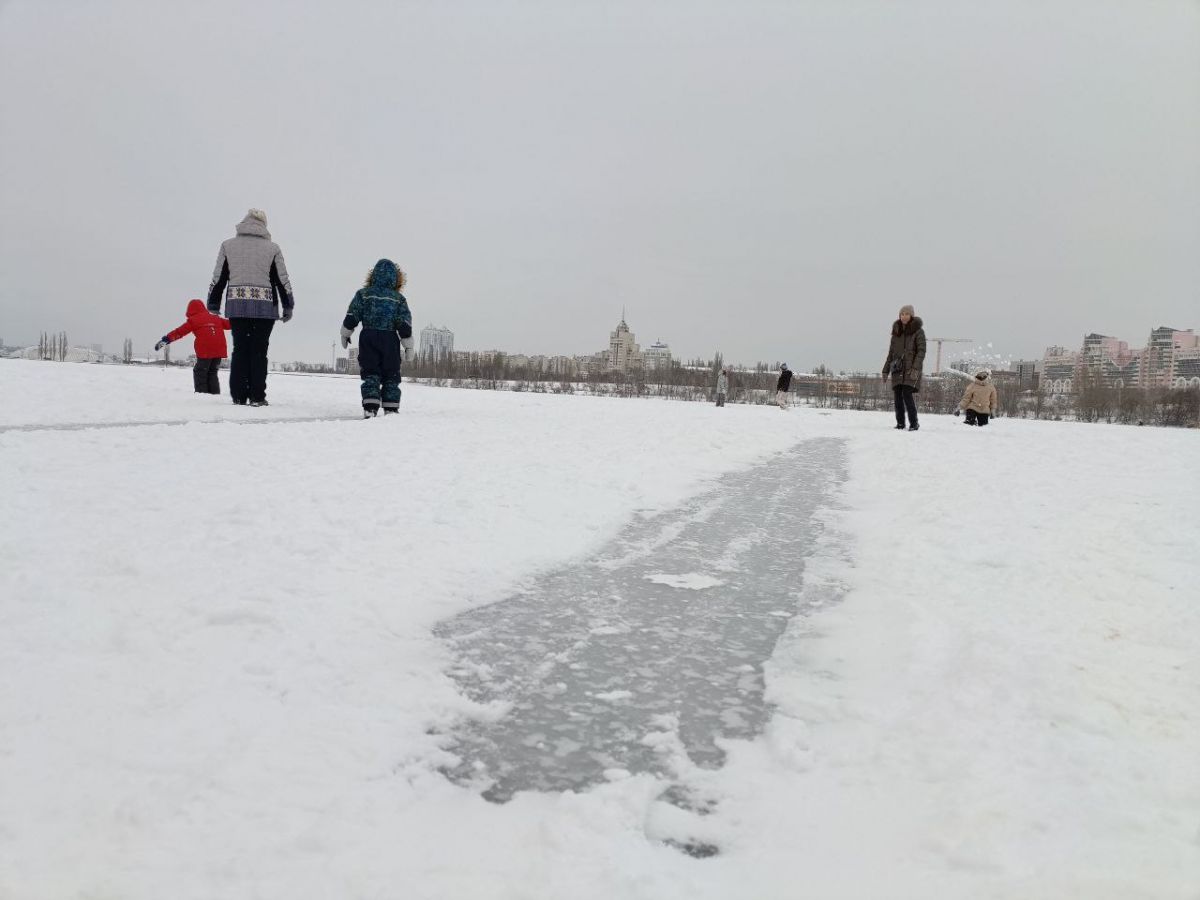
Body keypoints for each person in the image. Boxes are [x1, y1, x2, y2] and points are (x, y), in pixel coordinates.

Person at [206, 208, 294, 407]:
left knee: (240, 349)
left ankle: (238, 395)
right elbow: (282, 279)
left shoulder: (228, 246)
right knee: (259, 351)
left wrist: (213, 302)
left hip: (237, 305)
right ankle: (257, 396)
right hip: (265, 308)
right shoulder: (273, 248)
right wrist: (288, 305)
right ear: (264, 225)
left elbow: (218, 277)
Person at [340, 259, 413, 417]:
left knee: (371, 373)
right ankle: (391, 408)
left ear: (373, 276)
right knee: (391, 374)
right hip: (390, 341)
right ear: (396, 278)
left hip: (369, 338)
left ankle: (370, 407)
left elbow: (353, 315)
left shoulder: (363, 294)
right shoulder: (398, 299)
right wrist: (408, 346)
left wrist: (346, 333)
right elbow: (404, 324)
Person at [154, 299, 231, 394]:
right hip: (219, 349)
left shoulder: (193, 320)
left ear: (190, 311)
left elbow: (179, 332)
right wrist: (244, 321)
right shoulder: (216, 318)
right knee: (212, 373)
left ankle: (202, 395)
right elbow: (230, 324)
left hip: (205, 350)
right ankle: (214, 395)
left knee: (200, 372)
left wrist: (166, 340)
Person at [882, 305, 926, 431]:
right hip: (897, 369)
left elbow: (921, 352)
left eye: (907, 313)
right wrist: (885, 370)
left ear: (911, 315)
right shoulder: (896, 333)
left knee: (907, 394)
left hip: (911, 370)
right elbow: (891, 354)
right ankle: (900, 423)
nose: (904, 316)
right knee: (897, 397)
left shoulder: (918, 332)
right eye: (902, 314)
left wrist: (915, 368)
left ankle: (914, 423)